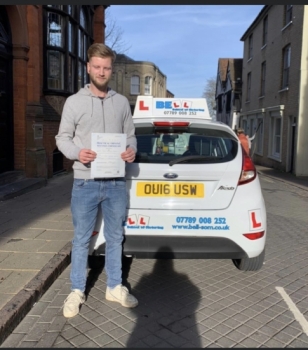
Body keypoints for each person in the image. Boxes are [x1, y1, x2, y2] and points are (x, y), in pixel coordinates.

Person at [55, 43, 138, 318]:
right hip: (85, 181)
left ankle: (114, 286)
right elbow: (62, 138)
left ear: (111, 69)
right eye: (97, 67)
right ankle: (77, 290)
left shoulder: (121, 102)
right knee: (81, 239)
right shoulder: (74, 102)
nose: (102, 72)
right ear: (89, 68)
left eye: (106, 67)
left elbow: (130, 136)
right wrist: (77, 152)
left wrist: (131, 150)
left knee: (115, 237)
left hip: (115, 181)